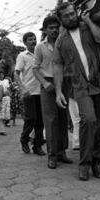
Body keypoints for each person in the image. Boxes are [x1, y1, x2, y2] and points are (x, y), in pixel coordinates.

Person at [53, 2, 100, 181]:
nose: (71, 17)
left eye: (72, 14)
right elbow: (57, 64)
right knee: (88, 119)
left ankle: (96, 161)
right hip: (80, 86)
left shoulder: (88, 27)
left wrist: (88, 20)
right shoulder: (61, 40)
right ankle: (85, 163)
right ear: (61, 19)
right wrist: (58, 92)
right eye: (66, 16)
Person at [33, 15, 72, 169]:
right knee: (50, 121)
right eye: (51, 28)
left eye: (57, 27)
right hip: (47, 85)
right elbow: (35, 69)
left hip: (64, 84)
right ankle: (52, 155)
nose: (54, 30)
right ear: (45, 30)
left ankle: (62, 152)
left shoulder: (65, 43)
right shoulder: (40, 47)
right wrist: (44, 83)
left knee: (63, 119)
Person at [15, 32, 46, 156]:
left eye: (34, 39)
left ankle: (37, 146)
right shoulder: (22, 56)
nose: (33, 41)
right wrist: (22, 88)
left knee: (40, 120)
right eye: (30, 39)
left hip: (42, 91)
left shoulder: (41, 54)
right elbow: (16, 74)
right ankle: (24, 139)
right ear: (25, 42)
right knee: (31, 118)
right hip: (29, 92)